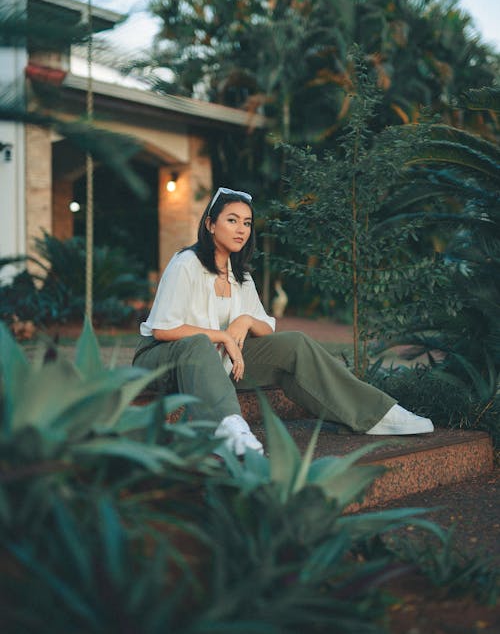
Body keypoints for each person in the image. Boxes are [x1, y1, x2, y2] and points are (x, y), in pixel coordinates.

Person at [133, 186, 434, 456]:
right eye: (232, 220)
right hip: (163, 361)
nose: (241, 229)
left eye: (247, 223)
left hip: (220, 364)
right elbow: (163, 328)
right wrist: (223, 336)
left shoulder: (241, 276)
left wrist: (244, 319)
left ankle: (375, 414)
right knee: (199, 342)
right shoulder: (186, 263)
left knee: (295, 343)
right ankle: (227, 428)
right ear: (210, 224)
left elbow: (266, 327)